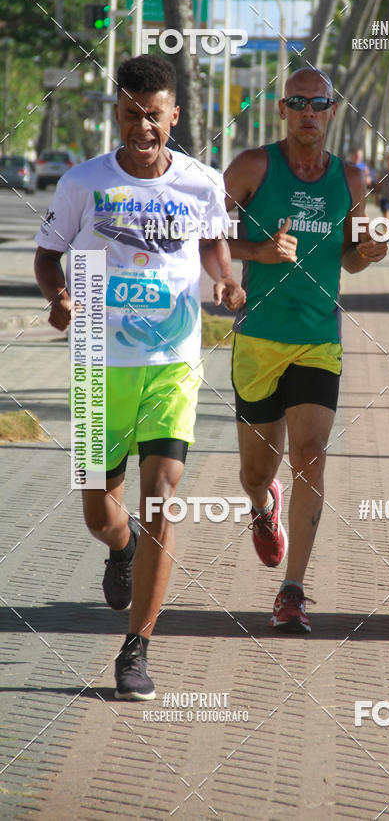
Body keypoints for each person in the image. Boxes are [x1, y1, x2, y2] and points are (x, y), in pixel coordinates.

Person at [34, 55, 245, 700]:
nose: (143, 126)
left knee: (160, 496)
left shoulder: (202, 183)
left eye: (155, 115)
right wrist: (62, 296)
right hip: (99, 358)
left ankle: (137, 649)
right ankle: (120, 552)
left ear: (173, 115)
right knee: (102, 514)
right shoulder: (82, 183)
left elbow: (211, 242)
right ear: (117, 113)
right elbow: (47, 257)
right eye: (132, 114)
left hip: (171, 363)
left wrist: (227, 276)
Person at [223, 67, 387, 633]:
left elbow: (350, 258)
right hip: (259, 339)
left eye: (318, 104)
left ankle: (291, 591)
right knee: (256, 470)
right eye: (297, 103)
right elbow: (205, 233)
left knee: (311, 454)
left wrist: (369, 252)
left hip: (319, 339)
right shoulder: (251, 167)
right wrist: (259, 253)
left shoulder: (352, 179)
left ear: (333, 111)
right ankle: (263, 506)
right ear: (282, 109)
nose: (307, 113)